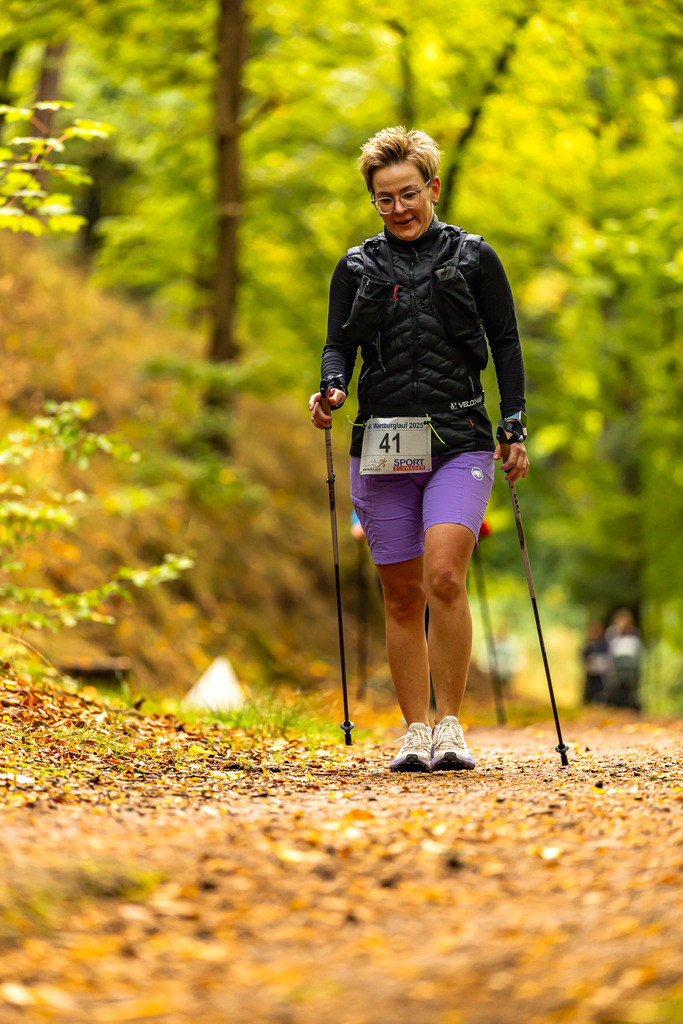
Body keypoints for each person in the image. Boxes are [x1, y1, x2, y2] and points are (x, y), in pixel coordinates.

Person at [309, 127, 528, 772]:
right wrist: (330, 389)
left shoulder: (474, 257)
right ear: (372, 200)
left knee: (442, 577)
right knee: (402, 594)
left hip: (460, 437)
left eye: (408, 193)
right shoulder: (356, 267)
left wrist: (513, 424)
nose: (399, 208)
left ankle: (452, 726)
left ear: (432, 188)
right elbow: (336, 346)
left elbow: (507, 343)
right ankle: (414, 733)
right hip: (381, 440)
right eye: (384, 198)